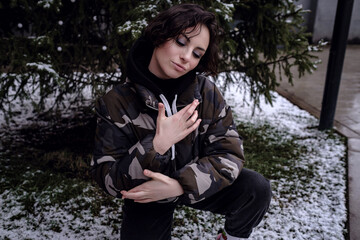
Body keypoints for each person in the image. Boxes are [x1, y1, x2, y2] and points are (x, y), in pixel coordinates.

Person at [91, 3, 271, 240]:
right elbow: (108, 178)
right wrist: (156, 146)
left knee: (256, 188)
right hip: (148, 193)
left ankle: (230, 237)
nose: (187, 57)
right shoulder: (116, 102)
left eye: (197, 53)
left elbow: (229, 154)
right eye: (181, 42)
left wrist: (179, 185)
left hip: (197, 182)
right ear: (159, 35)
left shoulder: (205, 92)